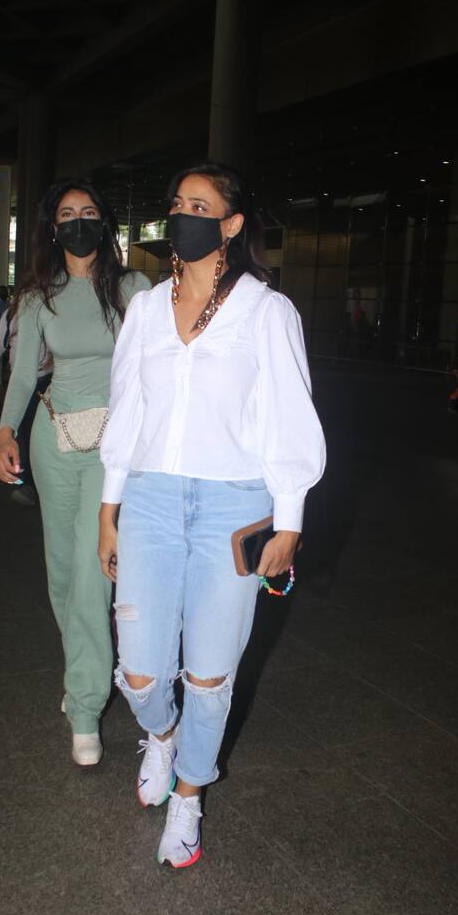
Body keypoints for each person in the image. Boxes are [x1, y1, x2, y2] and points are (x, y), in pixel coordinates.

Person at [98, 161, 326, 868]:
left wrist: (288, 519)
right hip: (152, 500)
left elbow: (290, 416)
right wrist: (110, 507)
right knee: (138, 669)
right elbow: (128, 410)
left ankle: (190, 797)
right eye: (177, 203)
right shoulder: (142, 311)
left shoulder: (266, 310)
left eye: (201, 204)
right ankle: (160, 734)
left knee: (209, 671)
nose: (183, 214)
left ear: (231, 224)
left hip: (234, 506)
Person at [0, 177, 151, 766]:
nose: (78, 221)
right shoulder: (38, 295)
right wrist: (5, 431)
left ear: (104, 224)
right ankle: (84, 668)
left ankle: (85, 706)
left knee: (93, 569)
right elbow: (22, 373)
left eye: (88, 212)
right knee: (62, 572)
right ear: (52, 228)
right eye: (67, 213)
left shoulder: (135, 287)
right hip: (53, 441)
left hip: (114, 449)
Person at [0, 304, 52, 505]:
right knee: (20, 431)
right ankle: (29, 483)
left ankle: (35, 485)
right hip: (20, 382)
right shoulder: (13, 312)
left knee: (33, 434)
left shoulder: (56, 309)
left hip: (49, 382)